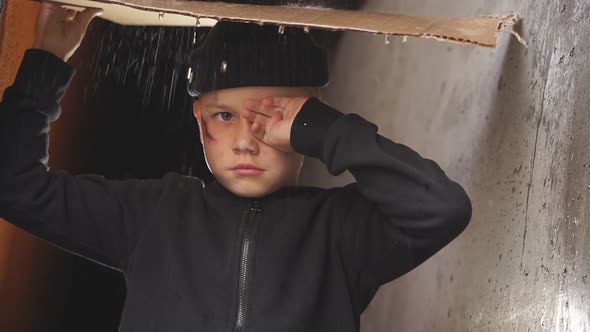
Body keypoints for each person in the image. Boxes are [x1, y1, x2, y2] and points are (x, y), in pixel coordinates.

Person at [0, 2, 472, 331]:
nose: (247, 141)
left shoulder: (341, 232)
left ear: (306, 119)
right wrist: (45, 64)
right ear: (199, 120)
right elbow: (15, 187)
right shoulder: (153, 214)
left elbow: (441, 208)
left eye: (271, 117)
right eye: (224, 116)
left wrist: (325, 130)